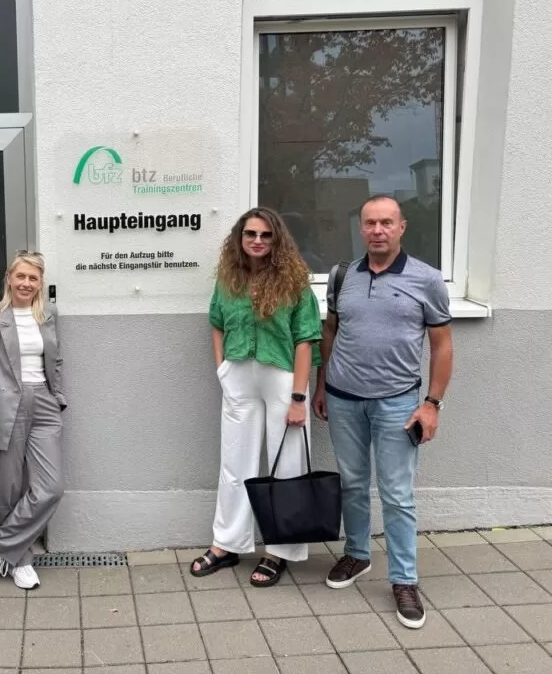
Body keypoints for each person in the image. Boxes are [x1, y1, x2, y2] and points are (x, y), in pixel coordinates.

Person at [313, 195, 453, 629]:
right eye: (370, 223)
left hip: (398, 403)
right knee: (353, 483)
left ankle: (404, 580)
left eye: (386, 223)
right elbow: (330, 331)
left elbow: (442, 345)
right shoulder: (343, 277)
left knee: (397, 494)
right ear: (361, 228)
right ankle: (357, 554)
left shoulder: (427, 279)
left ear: (401, 227)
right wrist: (321, 385)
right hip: (342, 398)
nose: (378, 230)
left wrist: (432, 404)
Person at [190, 207, 321, 587]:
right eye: (251, 234)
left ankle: (279, 550)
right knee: (234, 463)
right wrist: (222, 368)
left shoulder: (294, 282)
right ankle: (227, 543)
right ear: (240, 238)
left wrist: (299, 397)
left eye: (265, 235)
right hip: (238, 376)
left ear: (276, 239)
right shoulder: (228, 279)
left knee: (288, 465)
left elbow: (306, 338)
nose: (258, 241)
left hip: (282, 378)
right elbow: (216, 323)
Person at [0, 251, 67, 590]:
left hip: (44, 404)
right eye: (20, 276)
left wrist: (58, 396)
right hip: (6, 405)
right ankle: (19, 560)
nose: (26, 283)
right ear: (9, 278)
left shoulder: (49, 315)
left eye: (33, 278)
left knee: (51, 487)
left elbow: (55, 361)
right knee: (6, 488)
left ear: (40, 283)